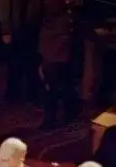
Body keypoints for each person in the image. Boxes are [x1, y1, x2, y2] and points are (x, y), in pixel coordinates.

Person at [38, 0, 79, 130]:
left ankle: (60, 115)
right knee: (54, 82)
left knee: (58, 82)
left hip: (61, 40)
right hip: (52, 40)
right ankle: (57, 116)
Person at [0, 0, 42, 103]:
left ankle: (31, 92)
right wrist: (5, 29)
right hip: (16, 25)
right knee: (14, 62)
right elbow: (4, 5)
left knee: (32, 61)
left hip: (32, 24)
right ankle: (14, 93)